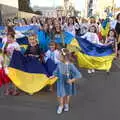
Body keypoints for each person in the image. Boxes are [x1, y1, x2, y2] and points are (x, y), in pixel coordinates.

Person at [50, 48, 82, 114]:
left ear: (64, 57)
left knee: (67, 95)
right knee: (60, 95)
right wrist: (53, 75)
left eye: (59, 55)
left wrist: (71, 80)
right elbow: (56, 71)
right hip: (61, 82)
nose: (57, 56)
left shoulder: (70, 65)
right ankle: (61, 105)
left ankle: (66, 104)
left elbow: (78, 75)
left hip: (68, 83)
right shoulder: (59, 63)